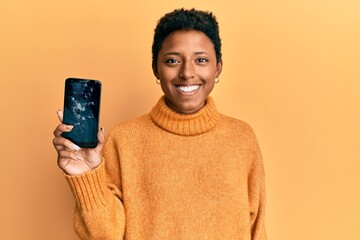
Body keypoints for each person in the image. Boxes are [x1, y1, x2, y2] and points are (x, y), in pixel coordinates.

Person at [53, 8, 267, 240]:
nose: (187, 72)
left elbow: (257, 230)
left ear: (217, 67)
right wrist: (87, 175)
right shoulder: (124, 139)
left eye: (201, 60)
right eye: (173, 60)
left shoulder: (241, 138)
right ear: (156, 68)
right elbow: (105, 235)